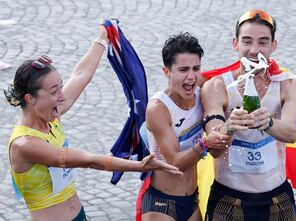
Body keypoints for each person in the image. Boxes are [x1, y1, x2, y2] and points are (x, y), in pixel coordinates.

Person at [4, 26, 182, 221]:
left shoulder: (50, 117)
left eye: (61, 87)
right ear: (30, 98)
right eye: (54, 91)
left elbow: (81, 75)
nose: (62, 97)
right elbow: (88, 160)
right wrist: (139, 166)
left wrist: (103, 37)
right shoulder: (25, 144)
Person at [201, 9, 296, 220]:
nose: (254, 50)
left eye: (263, 42)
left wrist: (267, 122)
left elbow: (292, 132)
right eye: (247, 41)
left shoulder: (289, 84)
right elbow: (213, 148)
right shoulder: (217, 86)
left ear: (273, 46)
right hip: (229, 197)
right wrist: (229, 127)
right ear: (235, 43)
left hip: (277, 196)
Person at [140, 32, 231, 221]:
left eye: (196, 68)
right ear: (167, 72)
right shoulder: (158, 109)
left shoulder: (203, 88)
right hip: (162, 203)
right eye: (183, 70)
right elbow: (174, 162)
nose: (191, 77)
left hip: (193, 200)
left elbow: (232, 81)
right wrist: (206, 145)